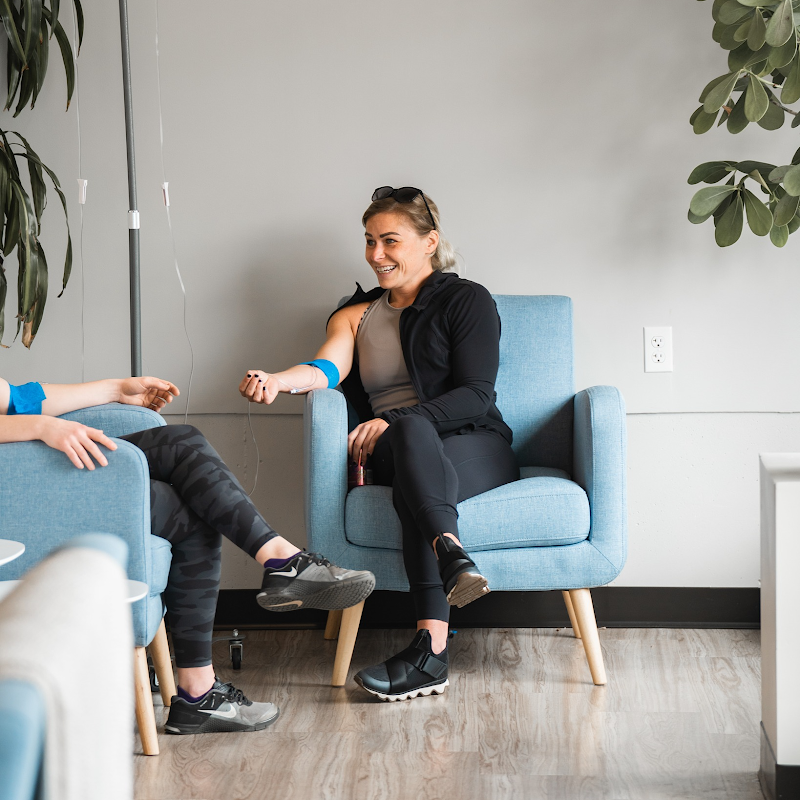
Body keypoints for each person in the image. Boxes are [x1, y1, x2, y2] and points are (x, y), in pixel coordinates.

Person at [240, 186, 519, 702]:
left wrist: (398, 418)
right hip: (397, 448)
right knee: (411, 441)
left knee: (413, 457)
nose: (375, 254)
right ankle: (451, 557)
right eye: (369, 241)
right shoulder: (356, 314)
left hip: (474, 442)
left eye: (390, 240)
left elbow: (477, 395)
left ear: (429, 242)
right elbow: (326, 369)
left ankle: (431, 653)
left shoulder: (466, 299)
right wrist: (279, 380)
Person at [0, 376, 375, 731]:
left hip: (28, 472)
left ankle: (200, 691)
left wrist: (116, 389)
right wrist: (41, 426)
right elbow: (25, 411)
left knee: (189, 475)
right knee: (185, 461)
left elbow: (18, 399)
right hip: (18, 490)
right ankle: (282, 564)